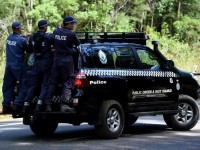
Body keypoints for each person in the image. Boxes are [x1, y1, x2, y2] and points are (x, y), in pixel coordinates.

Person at [45, 16, 80, 112]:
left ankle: (48, 104)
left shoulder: (56, 31)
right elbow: (78, 44)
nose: (73, 25)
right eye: (72, 23)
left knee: (52, 82)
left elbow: (53, 42)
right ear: (68, 23)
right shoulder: (71, 34)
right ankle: (64, 104)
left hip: (56, 59)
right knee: (68, 81)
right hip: (67, 60)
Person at [23, 20, 54, 113]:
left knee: (32, 85)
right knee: (45, 84)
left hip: (36, 63)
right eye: (46, 26)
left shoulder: (32, 36)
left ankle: (26, 104)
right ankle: (40, 104)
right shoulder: (48, 37)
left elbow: (28, 49)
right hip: (46, 63)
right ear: (44, 27)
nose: (47, 27)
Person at [2, 21, 31, 113]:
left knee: (8, 85)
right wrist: (28, 39)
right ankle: (18, 104)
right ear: (18, 28)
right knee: (24, 84)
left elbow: (16, 41)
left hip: (9, 66)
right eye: (21, 27)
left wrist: (23, 37)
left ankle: (6, 105)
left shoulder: (9, 38)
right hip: (18, 65)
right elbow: (29, 49)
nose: (22, 29)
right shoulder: (22, 40)